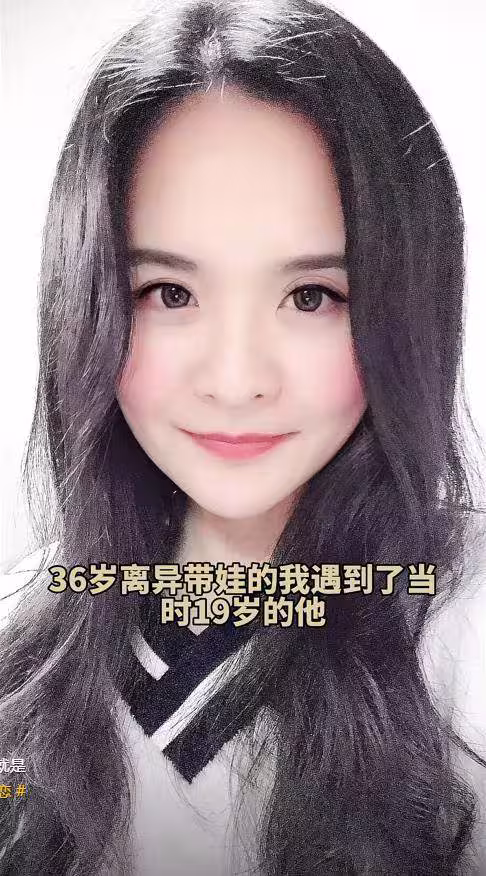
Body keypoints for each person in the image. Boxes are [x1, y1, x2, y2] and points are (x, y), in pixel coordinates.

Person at [1, 0, 486, 873]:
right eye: (170, 294)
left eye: (311, 297)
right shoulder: (21, 647)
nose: (234, 380)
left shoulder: (463, 629)